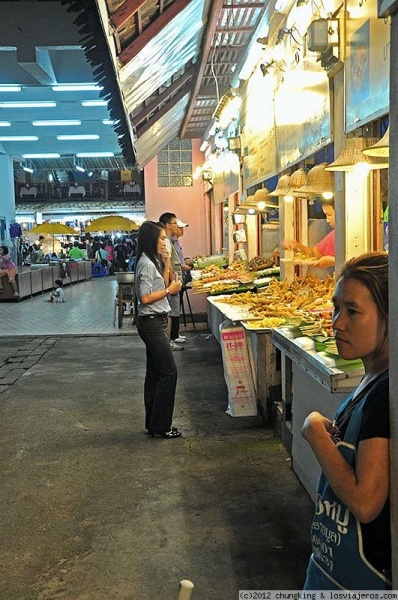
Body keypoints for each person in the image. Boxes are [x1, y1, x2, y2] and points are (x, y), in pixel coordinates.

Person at [301, 251, 390, 590]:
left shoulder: (385, 397)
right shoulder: (372, 379)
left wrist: (313, 431)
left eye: (352, 311)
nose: (337, 322)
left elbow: (366, 503)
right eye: (336, 307)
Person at [135, 221, 182, 439]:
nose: (165, 242)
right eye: (162, 238)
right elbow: (145, 298)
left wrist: (166, 264)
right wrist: (170, 290)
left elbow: (160, 285)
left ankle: (153, 423)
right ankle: (162, 426)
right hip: (151, 322)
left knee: (155, 373)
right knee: (169, 372)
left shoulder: (152, 261)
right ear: (151, 239)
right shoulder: (145, 263)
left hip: (156, 320)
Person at [159, 212, 185, 351]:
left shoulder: (169, 240)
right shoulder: (167, 241)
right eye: (175, 223)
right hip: (172, 279)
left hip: (172, 278)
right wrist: (171, 282)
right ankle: (169, 340)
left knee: (173, 311)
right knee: (171, 312)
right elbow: (167, 263)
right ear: (168, 225)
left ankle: (171, 338)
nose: (177, 226)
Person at [282, 200, 335, 269]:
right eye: (326, 216)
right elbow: (314, 254)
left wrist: (333, 261)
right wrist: (296, 245)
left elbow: (353, 261)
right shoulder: (334, 235)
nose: (327, 220)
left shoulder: (352, 234)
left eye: (329, 215)